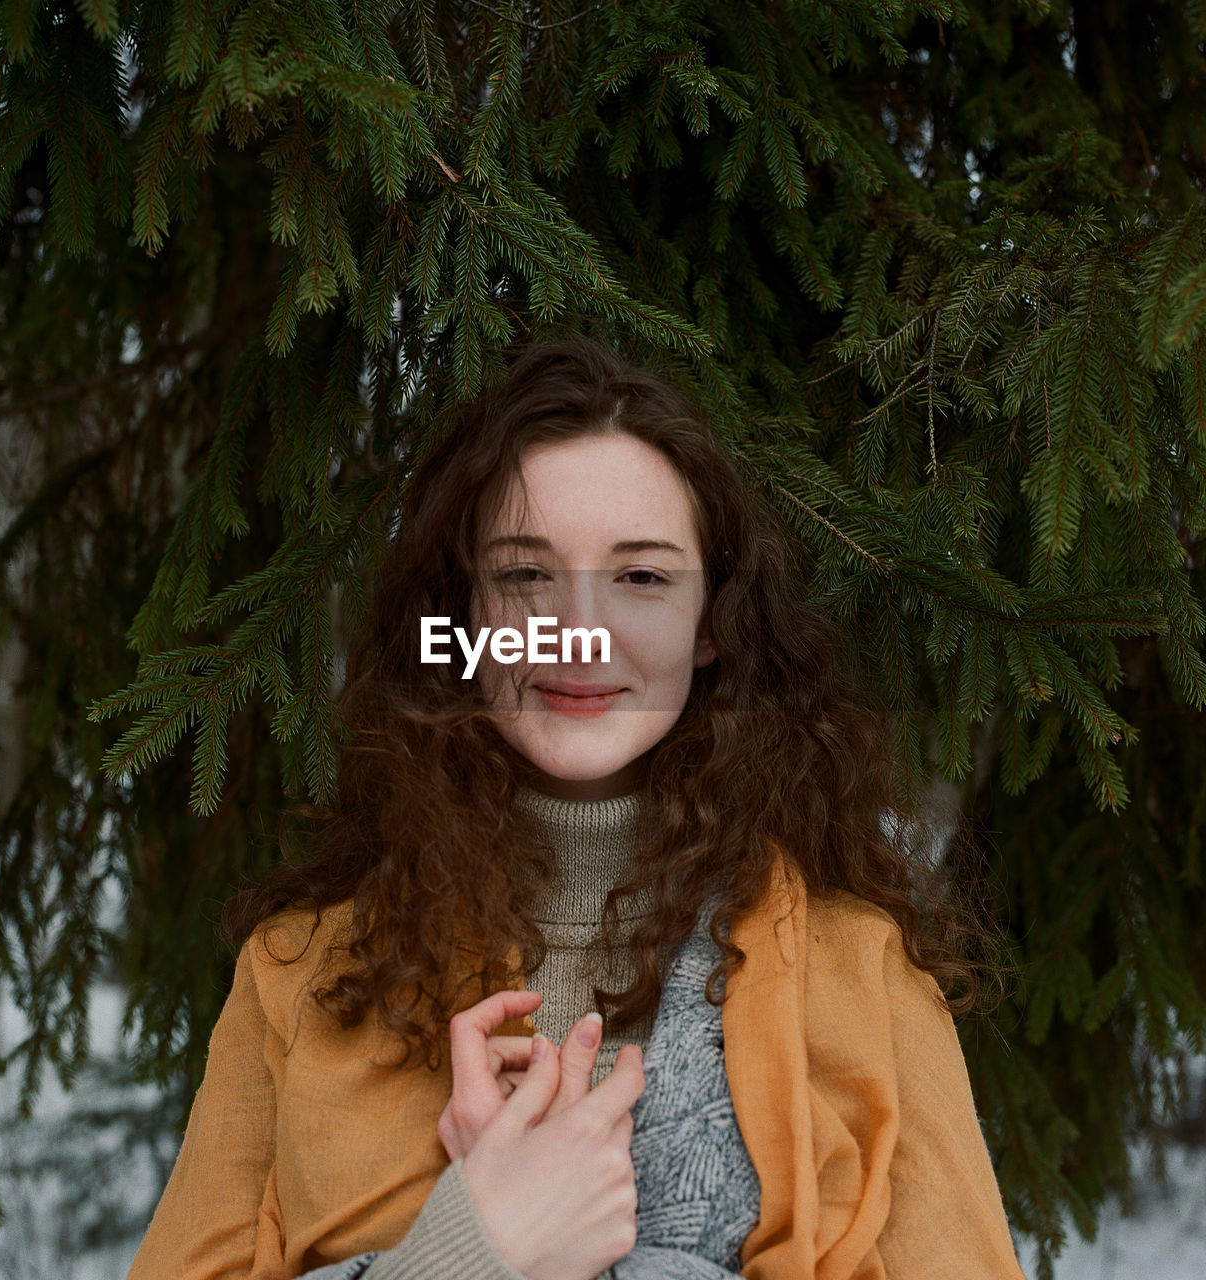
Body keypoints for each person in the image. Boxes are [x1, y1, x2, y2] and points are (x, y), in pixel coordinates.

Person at [126, 340, 1027, 1280]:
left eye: (641, 577)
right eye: (524, 576)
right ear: (462, 616)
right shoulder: (303, 975)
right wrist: (470, 1250)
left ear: (711, 624)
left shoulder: (865, 975)